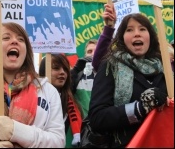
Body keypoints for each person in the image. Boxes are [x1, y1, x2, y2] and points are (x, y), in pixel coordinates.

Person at [89, 11, 168, 148]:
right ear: (122, 38)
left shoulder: (165, 69)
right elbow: (97, 118)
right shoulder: (110, 66)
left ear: (150, 36)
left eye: (142, 29)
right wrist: (139, 108)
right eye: (129, 30)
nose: (137, 33)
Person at [0, 22, 65, 148]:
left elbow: (58, 142)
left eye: (21, 39)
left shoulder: (47, 90)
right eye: (6, 38)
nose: (14, 41)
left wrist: (16, 131)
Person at [39, 54, 82, 148]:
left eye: (66, 69)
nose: (62, 72)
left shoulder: (74, 105)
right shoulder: (33, 100)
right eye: (56, 68)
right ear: (43, 70)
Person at [70, 39, 98, 118]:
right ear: (85, 55)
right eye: (89, 51)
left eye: (96, 51)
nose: (93, 54)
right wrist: (75, 70)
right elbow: (65, 93)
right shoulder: (78, 75)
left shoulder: (111, 74)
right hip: (81, 126)